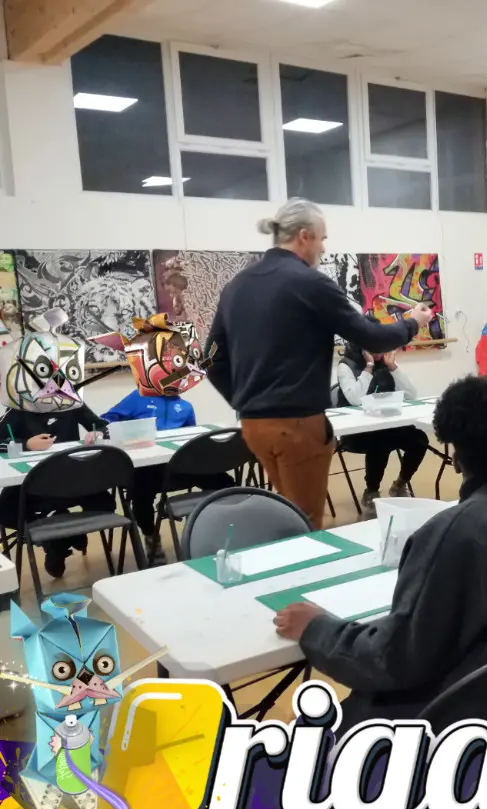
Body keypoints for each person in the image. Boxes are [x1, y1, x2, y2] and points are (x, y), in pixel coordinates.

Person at [273, 376, 487, 726]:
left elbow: (393, 659)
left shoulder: (456, 532)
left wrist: (316, 629)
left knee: (304, 730)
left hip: (460, 714)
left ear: (455, 456)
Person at [206, 198, 433, 529]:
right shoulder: (309, 283)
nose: (324, 248)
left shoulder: (237, 286)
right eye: (322, 239)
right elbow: (372, 338)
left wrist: (245, 402)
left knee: (287, 514)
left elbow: (212, 360)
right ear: (304, 236)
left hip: (254, 426)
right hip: (297, 425)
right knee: (305, 524)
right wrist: (413, 323)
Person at [101, 389, 233, 564]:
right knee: (141, 492)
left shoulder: (185, 406)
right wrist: (107, 431)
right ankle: (150, 536)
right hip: (148, 468)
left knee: (226, 482)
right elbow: (106, 419)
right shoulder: (138, 397)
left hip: (180, 468)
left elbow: (190, 440)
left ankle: (218, 532)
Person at [0, 404, 111, 578]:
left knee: (105, 504)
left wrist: (98, 432)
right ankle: (54, 541)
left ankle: (65, 535)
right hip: (35, 487)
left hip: (73, 482)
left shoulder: (71, 403)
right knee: (5, 511)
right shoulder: (18, 408)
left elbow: (103, 426)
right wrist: (26, 444)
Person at [334, 341, 429, 516]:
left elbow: (410, 395)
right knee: (380, 440)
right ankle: (371, 491)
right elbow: (355, 399)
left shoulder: (385, 363)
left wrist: (393, 367)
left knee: (419, 440)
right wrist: (369, 367)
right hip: (356, 431)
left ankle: (400, 484)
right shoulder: (346, 366)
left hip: (388, 424)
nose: (379, 353)